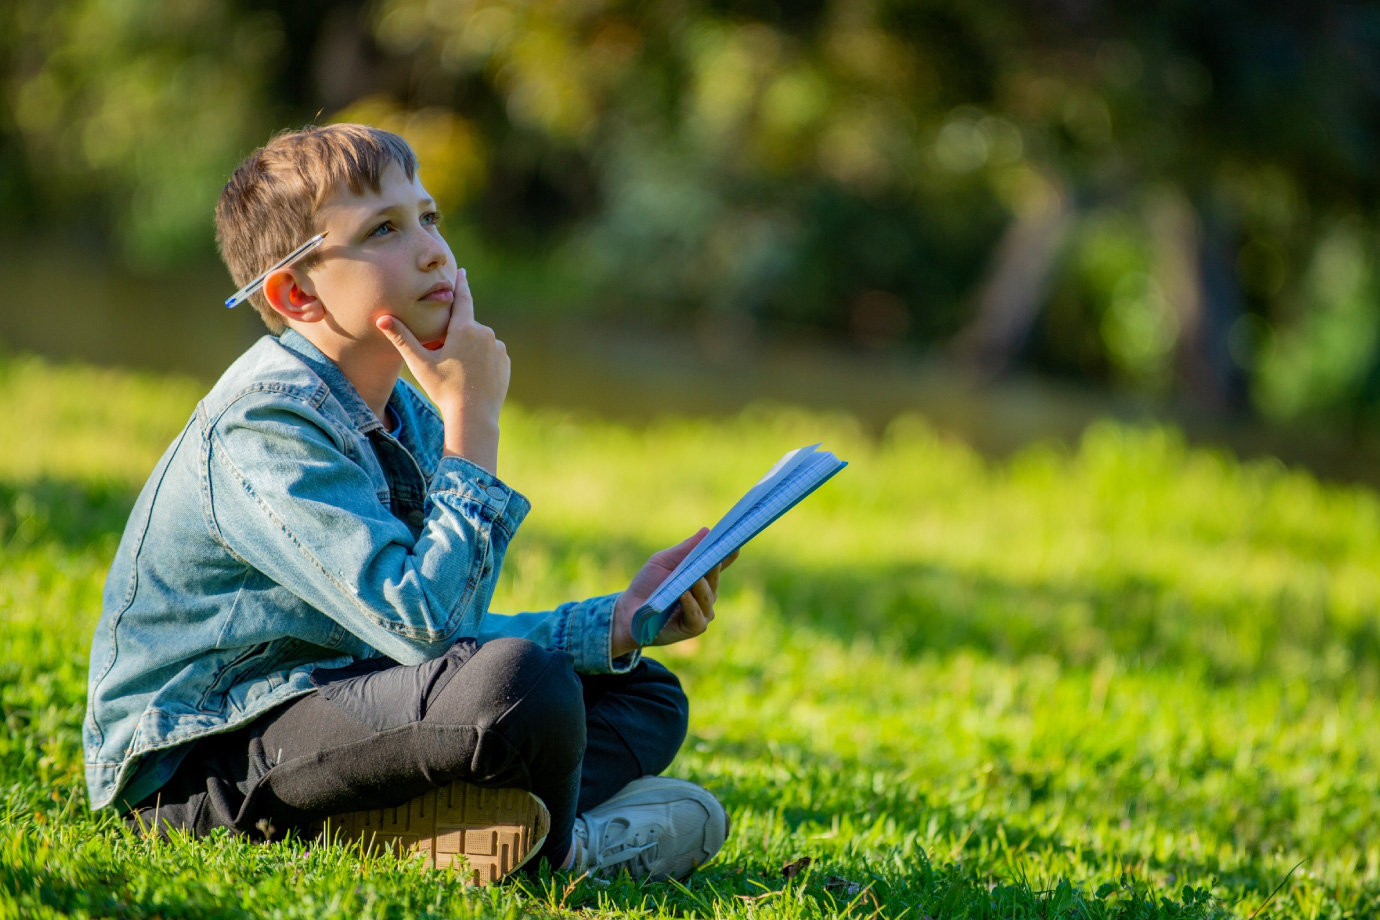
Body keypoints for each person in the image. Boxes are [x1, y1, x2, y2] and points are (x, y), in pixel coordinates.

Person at [82, 123, 735, 885]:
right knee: (523, 688)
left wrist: (615, 623)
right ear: (297, 292)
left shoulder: (409, 412)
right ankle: (560, 857)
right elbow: (431, 633)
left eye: (429, 218)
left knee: (643, 692)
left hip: (337, 709)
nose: (432, 250)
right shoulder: (264, 425)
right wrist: (476, 422)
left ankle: (435, 831)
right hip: (202, 768)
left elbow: (445, 639)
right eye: (384, 229)